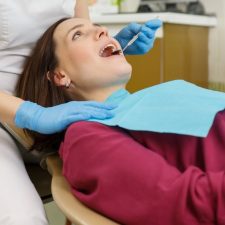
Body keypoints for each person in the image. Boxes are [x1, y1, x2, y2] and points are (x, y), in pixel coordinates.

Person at [16, 16, 225, 225]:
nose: (103, 31)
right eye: (77, 35)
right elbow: (190, 203)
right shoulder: (86, 138)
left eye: (98, 27)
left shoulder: (145, 102)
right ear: (60, 76)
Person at [0, 1, 161, 224]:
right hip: (5, 121)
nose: (101, 30)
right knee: (21, 217)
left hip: (60, 107)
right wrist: (32, 114)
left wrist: (107, 50)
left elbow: (80, 26)